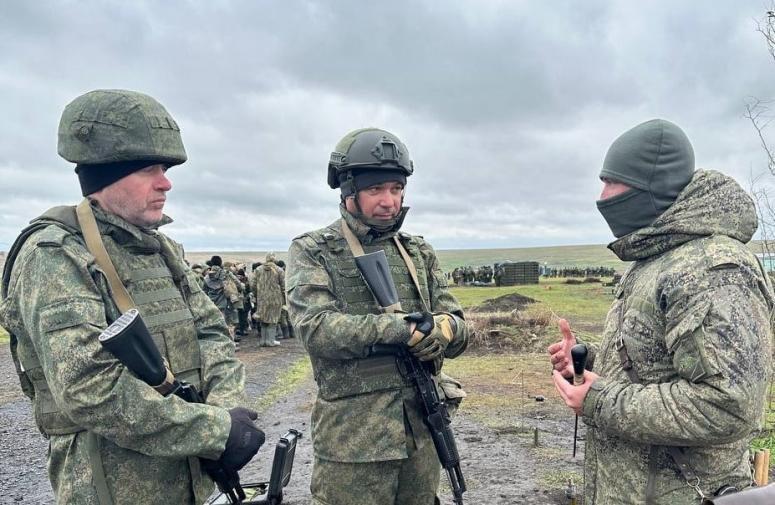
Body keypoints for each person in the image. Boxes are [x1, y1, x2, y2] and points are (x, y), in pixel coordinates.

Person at [0, 89, 264, 504]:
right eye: (148, 170)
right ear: (106, 175)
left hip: (192, 481)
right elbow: (89, 386)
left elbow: (212, 334)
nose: (166, 182)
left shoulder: (162, 250)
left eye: (165, 169)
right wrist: (215, 431)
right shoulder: (54, 254)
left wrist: (224, 411)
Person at [548, 119, 774, 504]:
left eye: (612, 182)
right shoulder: (656, 259)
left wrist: (598, 399)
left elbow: (728, 406)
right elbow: (655, 363)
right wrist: (588, 362)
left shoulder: (711, 270)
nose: (602, 196)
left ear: (649, 185)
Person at [286, 128, 469, 505]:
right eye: (375, 190)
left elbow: (458, 323)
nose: (389, 201)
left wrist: (442, 330)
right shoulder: (314, 250)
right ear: (348, 190)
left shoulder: (418, 251)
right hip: (354, 443)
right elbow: (315, 330)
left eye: (396, 189)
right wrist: (401, 330)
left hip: (422, 431)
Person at [253, 253, 284, 347]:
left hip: (262, 298)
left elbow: (253, 284)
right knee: (273, 319)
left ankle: (263, 341)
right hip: (275, 298)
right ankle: (270, 341)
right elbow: (283, 286)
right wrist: (284, 298)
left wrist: (256, 294)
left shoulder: (258, 270)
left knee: (263, 319)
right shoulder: (279, 270)